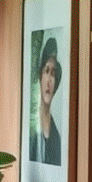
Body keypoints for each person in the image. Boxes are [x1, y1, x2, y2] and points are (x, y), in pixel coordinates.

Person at [29, 35, 62, 165]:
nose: (49, 80)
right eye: (46, 71)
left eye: (53, 73)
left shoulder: (56, 138)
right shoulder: (31, 130)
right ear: (40, 76)